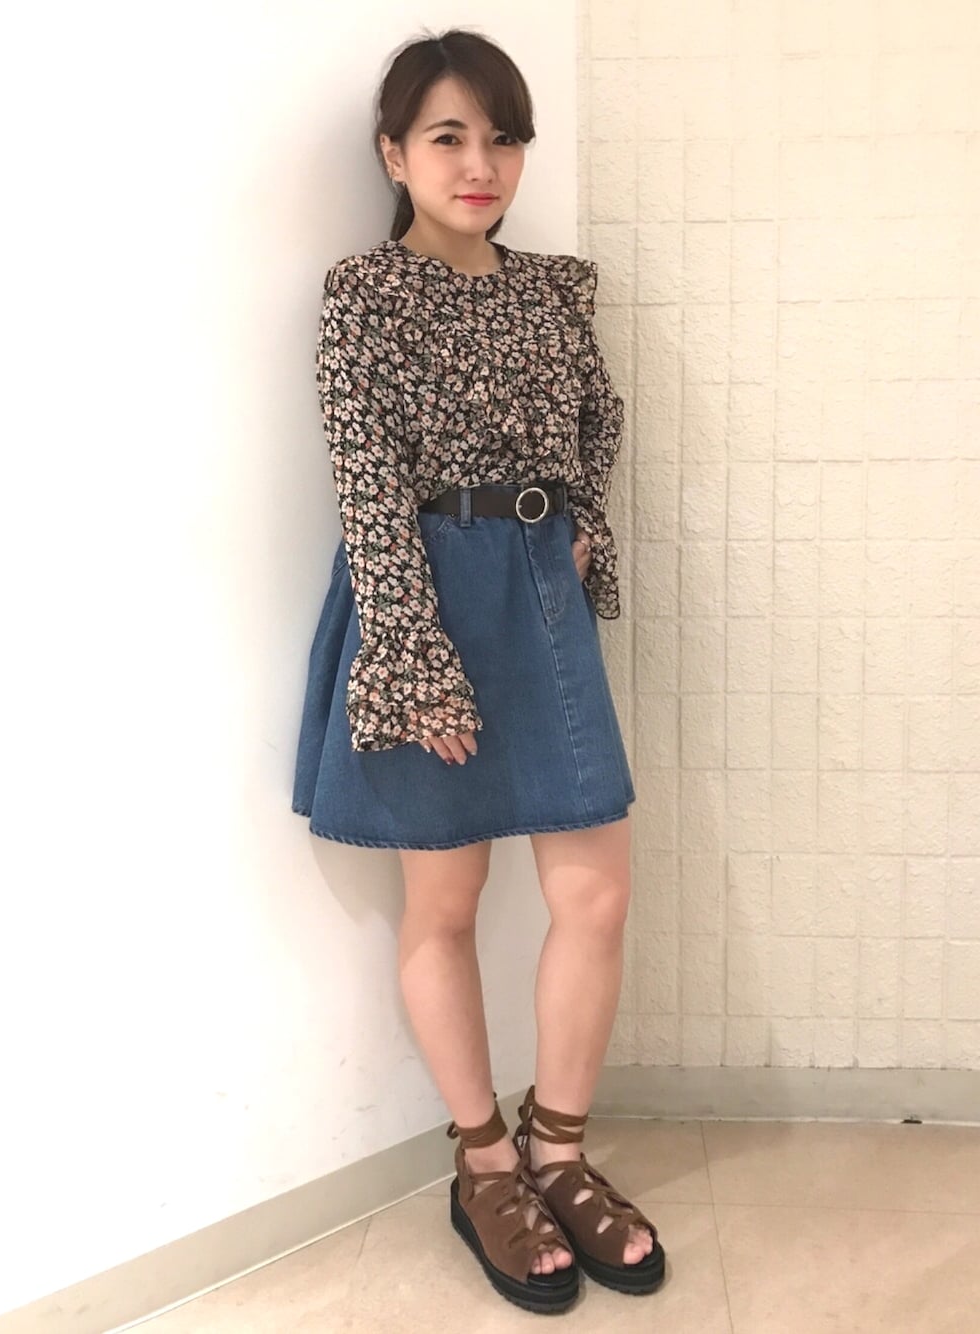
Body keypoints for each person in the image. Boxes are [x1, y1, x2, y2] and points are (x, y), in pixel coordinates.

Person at [292, 26, 665, 1316]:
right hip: (423, 596)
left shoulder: (554, 290)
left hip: (538, 595)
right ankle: (486, 1167)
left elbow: (598, 426)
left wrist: (577, 536)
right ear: (394, 154)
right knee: (443, 904)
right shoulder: (365, 292)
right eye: (448, 136)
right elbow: (364, 480)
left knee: (595, 892)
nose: (480, 163)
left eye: (503, 137)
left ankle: (560, 1152)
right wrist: (412, 653)